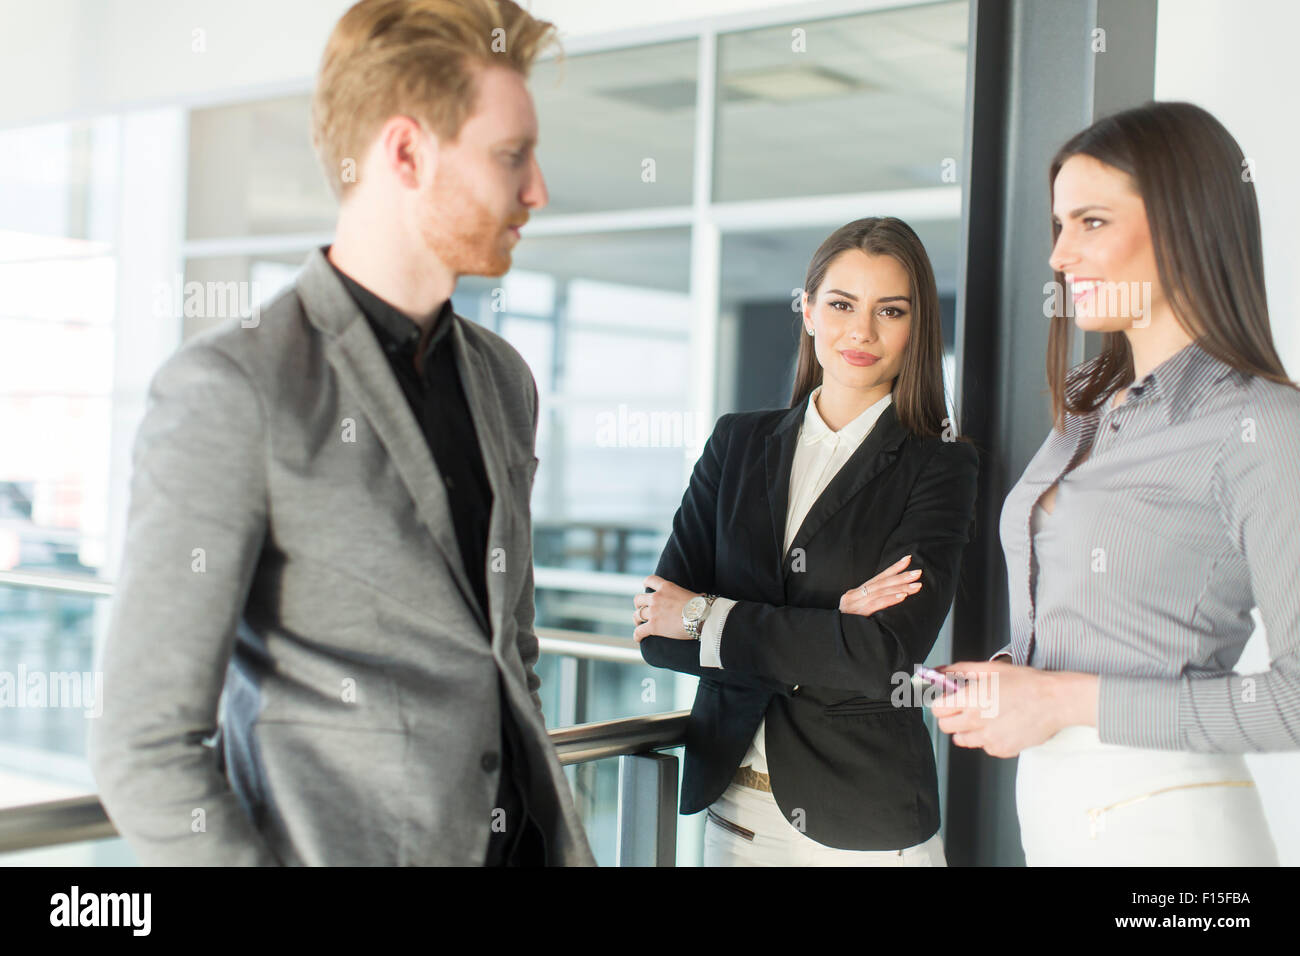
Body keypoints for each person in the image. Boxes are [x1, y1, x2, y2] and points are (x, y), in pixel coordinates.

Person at [89, 0, 596, 866]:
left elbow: (508, 653)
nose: (537, 189)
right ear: (405, 151)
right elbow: (143, 751)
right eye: (512, 156)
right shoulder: (233, 390)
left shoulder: (505, 380)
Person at [925, 101, 1300, 865]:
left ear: (1186, 218)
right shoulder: (1093, 406)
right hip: (1058, 814)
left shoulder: (1262, 424)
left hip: (1174, 833)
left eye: (1091, 222)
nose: (1061, 255)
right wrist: (1011, 682)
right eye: (1060, 226)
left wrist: (1058, 700)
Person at [635, 217, 980, 865]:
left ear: (917, 327)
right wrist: (829, 627)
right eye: (842, 304)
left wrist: (705, 615)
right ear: (810, 312)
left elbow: (882, 657)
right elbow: (657, 632)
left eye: (891, 311)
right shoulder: (737, 443)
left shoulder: (938, 466)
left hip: (861, 827)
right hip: (732, 814)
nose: (862, 331)